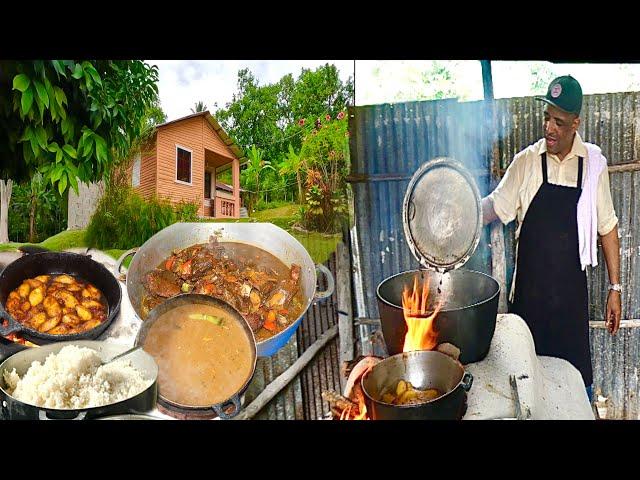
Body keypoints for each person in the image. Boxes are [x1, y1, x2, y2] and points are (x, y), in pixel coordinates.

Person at [482, 75, 622, 403]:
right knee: (528, 392)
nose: (550, 129)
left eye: (559, 122)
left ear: (576, 123)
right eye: (547, 118)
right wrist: (462, 209)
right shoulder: (526, 162)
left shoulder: (593, 167)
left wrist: (615, 288)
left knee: (576, 392)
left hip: (570, 307)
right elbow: (494, 206)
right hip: (529, 307)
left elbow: (608, 228)